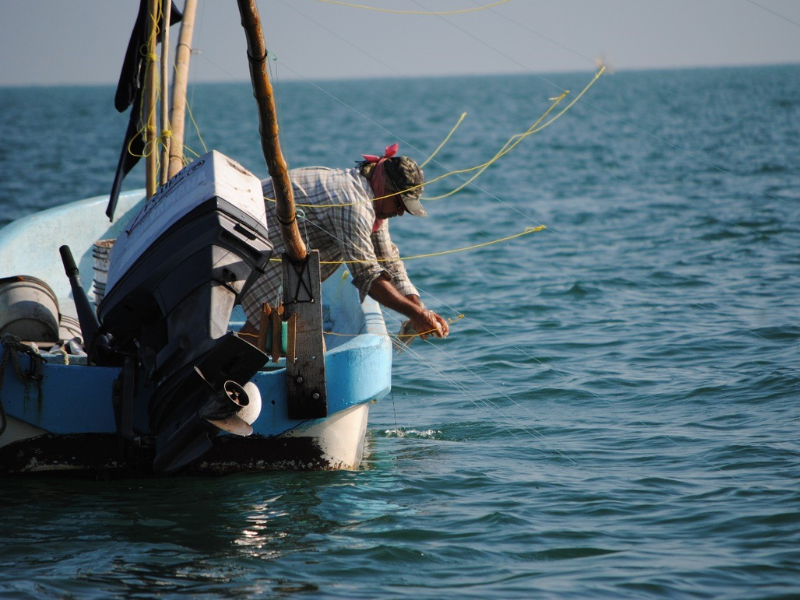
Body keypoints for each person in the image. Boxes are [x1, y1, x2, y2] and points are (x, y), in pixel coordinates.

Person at [240, 144, 450, 341]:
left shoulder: (374, 202)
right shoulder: (355, 205)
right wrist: (415, 313)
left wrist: (419, 309)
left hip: (273, 232)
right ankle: (222, 371)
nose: (401, 212)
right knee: (270, 314)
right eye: (400, 203)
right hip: (254, 229)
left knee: (280, 307)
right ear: (385, 188)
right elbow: (367, 274)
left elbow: (389, 260)